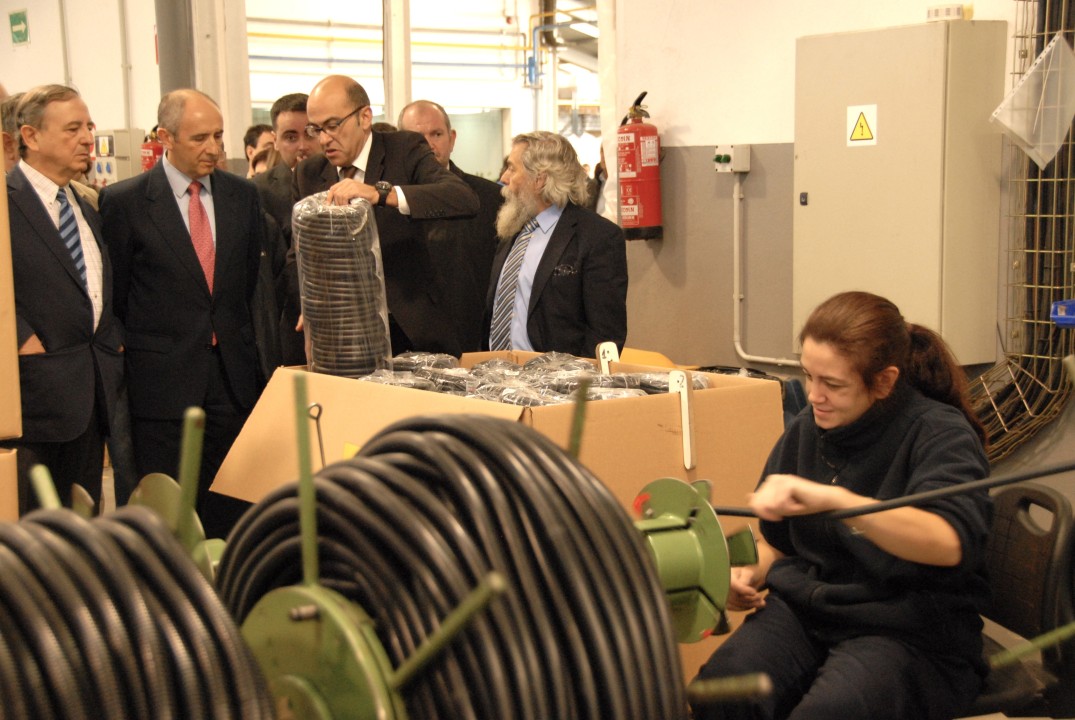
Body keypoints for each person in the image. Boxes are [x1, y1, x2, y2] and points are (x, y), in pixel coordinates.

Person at [692, 291, 993, 720]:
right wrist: (747, 573)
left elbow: (947, 543)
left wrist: (838, 501)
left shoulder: (940, 434)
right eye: (808, 376)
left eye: (832, 384)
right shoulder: (807, 428)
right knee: (719, 692)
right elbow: (779, 543)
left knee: (830, 712)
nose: (814, 395)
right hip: (811, 612)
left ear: (884, 381)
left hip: (906, 628)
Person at [100, 89, 265, 539]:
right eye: (200, 138)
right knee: (169, 512)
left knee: (231, 506)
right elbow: (116, 295)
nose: (214, 148)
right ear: (166, 137)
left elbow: (247, 284)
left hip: (231, 379)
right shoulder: (125, 202)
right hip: (162, 385)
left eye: (219, 135)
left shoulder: (242, 196)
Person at [2, 84, 125, 514]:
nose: (88, 139)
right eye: (73, 129)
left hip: (92, 396)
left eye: (88, 126)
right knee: (39, 533)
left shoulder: (85, 205)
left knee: (83, 525)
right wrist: (19, 339)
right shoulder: (5, 202)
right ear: (31, 136)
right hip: (34, 402)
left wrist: (112, 339)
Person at [293, 74, 479, 356]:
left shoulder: (404, 149)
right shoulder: (309, 173)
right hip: (343, 333)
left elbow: (462, 198)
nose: (324, 139)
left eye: (332, 126)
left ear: (365, 117)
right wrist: (310, 304)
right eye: (315, 129)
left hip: (410, 329)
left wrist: (380, 194)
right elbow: (299, 254)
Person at [484, 130, 627, 357]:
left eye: (512, 168)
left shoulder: (598, 237)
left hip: (556, 376)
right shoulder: (511, 229)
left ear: (539, 179)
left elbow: (605, 334)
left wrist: (571, 378)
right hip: (496, 370)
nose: (504, 178)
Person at [398, 99, 503, 352]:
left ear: (452, 139)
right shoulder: (384, 201)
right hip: (403, 344)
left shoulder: (490, 198)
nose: (428, 145)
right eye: (416, 137)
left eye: (436, 134)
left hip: (471, 342)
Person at [254, 92, 319, 366]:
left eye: (310, 133)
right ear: (276, 140)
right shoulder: (257, 191)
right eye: (291, 137)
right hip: (284, 325)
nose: (302, 146)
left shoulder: (342, 183)